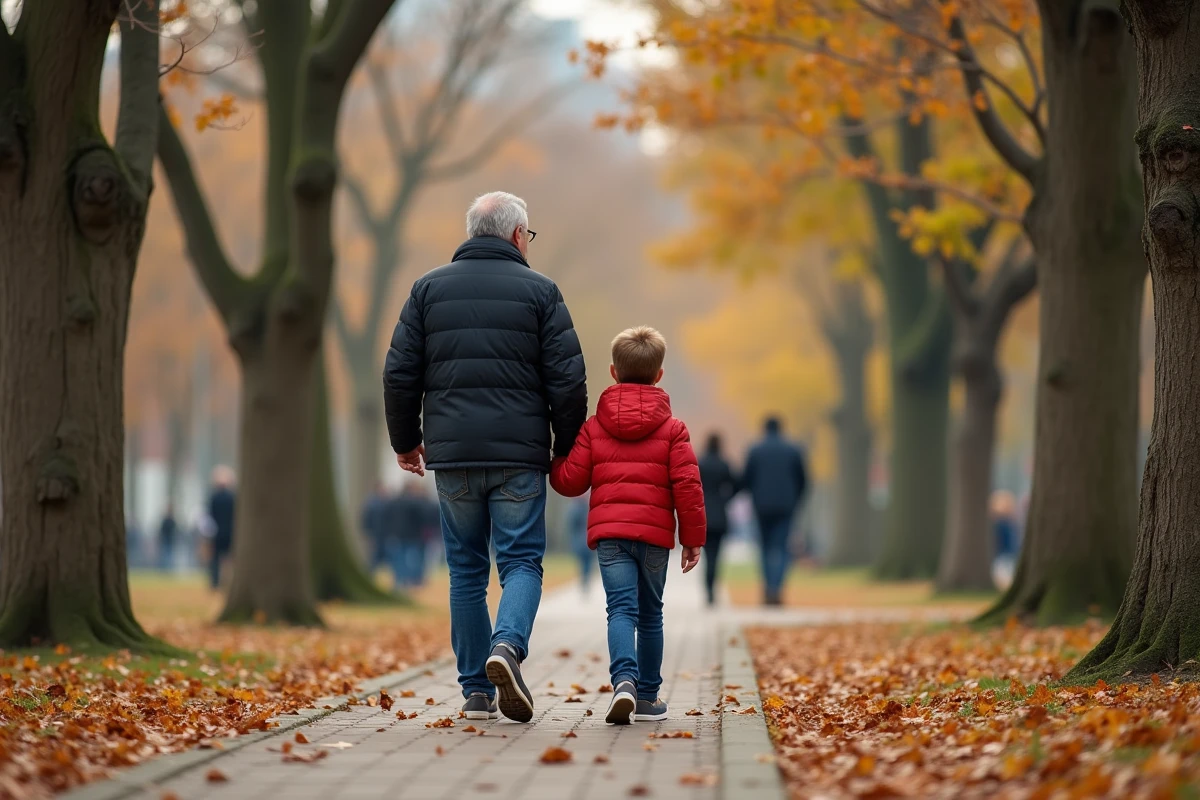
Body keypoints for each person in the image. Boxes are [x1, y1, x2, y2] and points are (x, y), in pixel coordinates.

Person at [383, 191, 587, 723]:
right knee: (521, 560)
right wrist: (566, 447)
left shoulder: (427, 289)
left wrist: (406, 440)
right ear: (518, 235)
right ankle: (507, 647)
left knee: (466, 569)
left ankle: (476, 689)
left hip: (452, 456)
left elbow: (399, 372)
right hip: (520, 454)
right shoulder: (542, 292)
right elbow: (567, 381)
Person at [551, 326, 706, 725]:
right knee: (651, 613)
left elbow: (571, 481)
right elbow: (688, 487)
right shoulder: (674, 430)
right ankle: (650, 698)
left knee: (620, 609)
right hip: (654, 537)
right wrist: (692, 540)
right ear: (659, 375)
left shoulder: (594, 427)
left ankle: (624, 681)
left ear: (613, 372)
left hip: (611, 535)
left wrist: (552, 461)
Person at [743, 417, 808, 606]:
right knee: (782, 548)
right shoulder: (793, 450)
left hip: (762, 506)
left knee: (764, 548)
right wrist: (796, 500)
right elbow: (803, 480)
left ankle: (768, 587)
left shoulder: (755, 450)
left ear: (764, 428)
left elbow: (747, 479)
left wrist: (753, 496)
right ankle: (777, 588)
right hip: (786, 506)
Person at [698, 433, 739, 607]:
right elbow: (737, 483)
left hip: (702, 513)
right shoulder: (724, 464)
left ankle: (708, 590)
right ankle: (713, 587)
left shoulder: (700, 463)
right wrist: (726, 498)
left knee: (707, 556)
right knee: (717, 555)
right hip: (720, 515)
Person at [384, 481, 433, 588]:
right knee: (414, 559)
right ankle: (415, 580)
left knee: (399, 559)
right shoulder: (414, 503)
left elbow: (387, 518)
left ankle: (400, 580)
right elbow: (422, 519)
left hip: (397, 535)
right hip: (413, 535)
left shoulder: (393, 502)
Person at [206, 466, 236, 591]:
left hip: (216, 533)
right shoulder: (232, 497)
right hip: (230, 532)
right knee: (229, 559)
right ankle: (228, 582)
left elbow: (209, 516)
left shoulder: (214, 497)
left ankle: (215, 583)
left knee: (215, 560)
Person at [565, 493, 593, 593]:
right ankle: (585, 580)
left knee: (584, 563)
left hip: (582, 541)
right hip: (587, 540)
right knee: (586, 563)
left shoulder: (574, 508)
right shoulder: (587, 507)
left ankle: (584, 580)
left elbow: (571, 526)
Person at [361, 483, 390, 573]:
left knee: (388, 558)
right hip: (375, 535)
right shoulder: (371, 504)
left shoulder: (388, 503)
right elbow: (366, 520)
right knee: (374, 559)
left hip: (386, 536)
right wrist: (369, 533)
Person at [157, 505, 178, 571]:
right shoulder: (166, 521)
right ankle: (165, 569)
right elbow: (162, 531)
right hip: (166, 541)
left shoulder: (172, 521)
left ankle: (168, 569)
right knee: (166, 556)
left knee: (169, 556)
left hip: (170, 541)